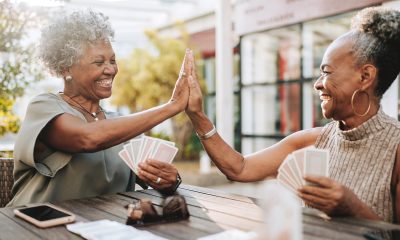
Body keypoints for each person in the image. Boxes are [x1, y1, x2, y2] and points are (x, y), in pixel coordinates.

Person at [185, 7, 400, 223]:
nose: (317, 84)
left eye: (326, 72)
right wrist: (197, 115)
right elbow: (239, 168)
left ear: (365, 76)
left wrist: (353, 208)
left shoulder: (396, 147)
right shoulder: (314, 140)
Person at [7, 10, 192, 206]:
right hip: (34, 227)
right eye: (99, 62)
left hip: (104, 229)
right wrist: (173, 106)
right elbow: (87, 138)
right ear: (65, 68)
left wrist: (170, 180)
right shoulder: (44, 107)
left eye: (112, 60)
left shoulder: (119, 125)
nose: (111, 69)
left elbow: (156, 177)